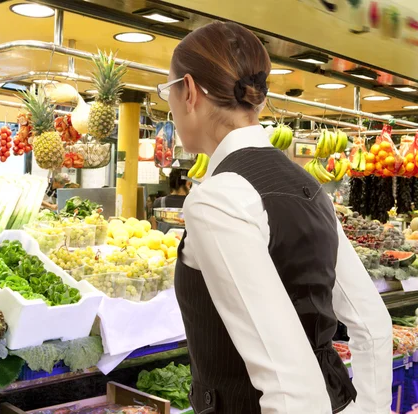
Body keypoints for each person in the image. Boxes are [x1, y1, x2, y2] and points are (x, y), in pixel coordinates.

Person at [160, 21, 391, 414]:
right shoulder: (309, 185)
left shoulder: (216, 199)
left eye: (168, 91)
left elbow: (291, 389)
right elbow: (372, 325)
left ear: (190, 91)